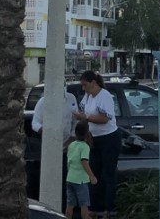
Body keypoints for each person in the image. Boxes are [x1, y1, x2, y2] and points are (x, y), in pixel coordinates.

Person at [73, 71, 119, 219]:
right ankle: (95, 207)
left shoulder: (104, 96)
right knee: (94, 173)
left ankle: (109, 208)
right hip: (94, 138)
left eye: (85, 85)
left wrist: (86, 117)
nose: (83, 88)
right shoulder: (88, 96)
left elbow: (104, 118)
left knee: (108, 173)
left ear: (93, 82)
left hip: (109, 138)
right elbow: (84, 113)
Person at [64, 120, 97, 219]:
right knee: (84, 204)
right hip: (81, 180)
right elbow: (84, 162)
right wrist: (92, 176)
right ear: (87, 133)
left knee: (70, 204)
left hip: (70, 178)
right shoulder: (85, 147)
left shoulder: (71, 145)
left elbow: (69, 161)